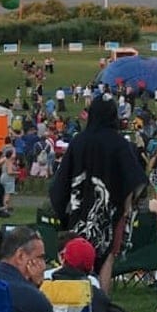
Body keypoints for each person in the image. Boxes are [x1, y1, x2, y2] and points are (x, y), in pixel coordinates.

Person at [50, 93, 148, 293]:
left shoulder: (79, 141)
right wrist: (128, 207)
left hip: (78, 210)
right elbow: (135, 180)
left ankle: (73, 294)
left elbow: (60, 181)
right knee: (107, 257)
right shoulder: (120, 143)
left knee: (75, 253)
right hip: (110, 211)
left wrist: (62, 210)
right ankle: (101, 301)